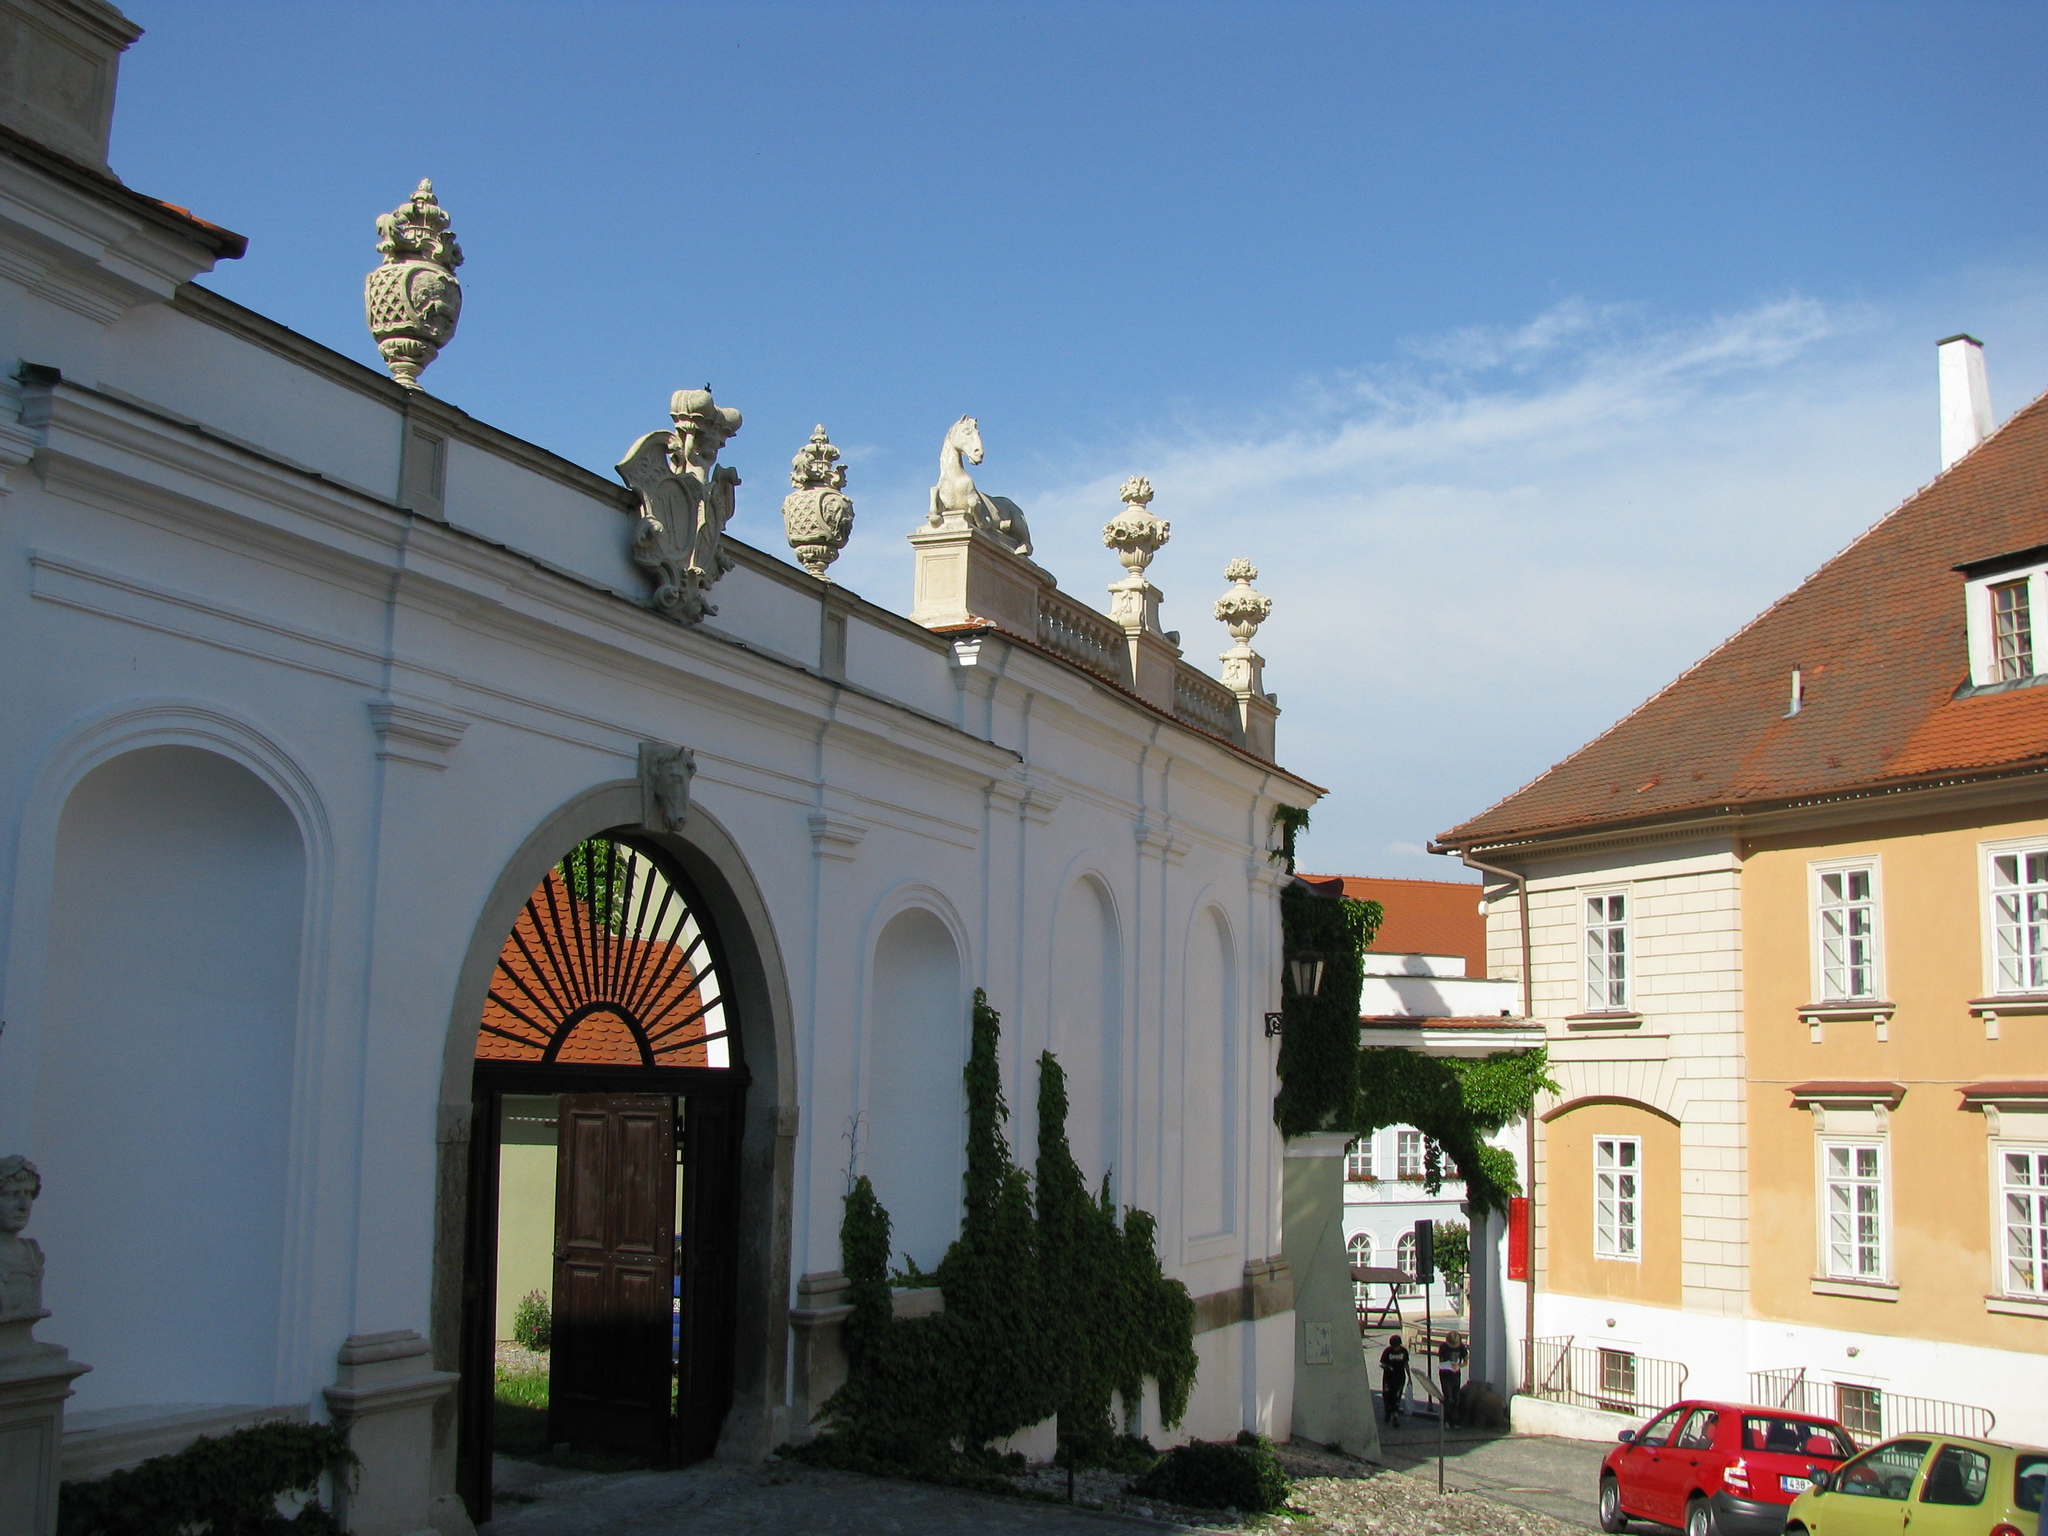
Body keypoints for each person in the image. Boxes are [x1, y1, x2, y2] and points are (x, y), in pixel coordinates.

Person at [1378, 1332, 1410, 1428]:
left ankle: (1395, 1416)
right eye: (1394, 1346)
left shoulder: (1403, 1351)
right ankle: (1387, 1411)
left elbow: (1406, 1364)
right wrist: (1387, 1367)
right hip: (1388, 1377)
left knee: (1397, 1397)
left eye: (1396, 1346)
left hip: (1400, 1377)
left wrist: (1409, 1377)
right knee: (1387, 1395)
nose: (1395, 1348)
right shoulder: (1387, 1351)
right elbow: (1382, 1364)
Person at [1438, 1330, 1468, 1428]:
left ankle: (1454, 1421)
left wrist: (1459, 1366)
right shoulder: (1443, 1347)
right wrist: (1448, 1365)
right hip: (1445, 1373)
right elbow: (1441, 1361)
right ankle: (1446, 1420)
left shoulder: (1461, 1347)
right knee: (1448, 1396)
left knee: (1456, 1397)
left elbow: (1465, 1361)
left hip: (1455, 1373)